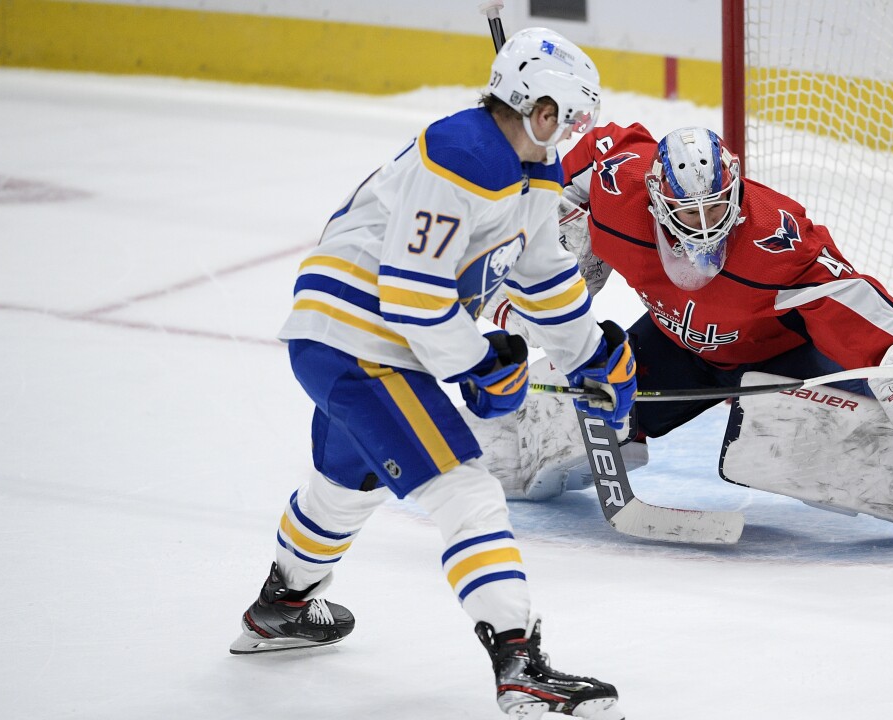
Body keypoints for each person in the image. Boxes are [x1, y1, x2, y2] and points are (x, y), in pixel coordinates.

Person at [229, 28, 634, 720]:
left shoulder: (533, 170)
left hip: (356, 342)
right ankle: (519, 668)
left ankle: (282, 606)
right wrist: (477, 366)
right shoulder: (460, 154)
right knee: (465, 490)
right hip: (362, 342)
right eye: (566, 116)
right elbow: (412, 291)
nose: (571, 130)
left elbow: (541, 277)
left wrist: (591, 352)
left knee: (347, 484)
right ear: (538, 109)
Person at [480, 123, 893, 547]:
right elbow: (589, 152)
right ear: (656, 201)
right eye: (688, 213)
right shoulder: (620, 194)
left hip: (779, 357)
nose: (704, 228)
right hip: (676, 343)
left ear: (737, 193)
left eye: (717, 209)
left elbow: (845, 294)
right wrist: (550, 213)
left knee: (849, 424)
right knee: (588, 403)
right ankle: (501, 455)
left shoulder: (774, 239)